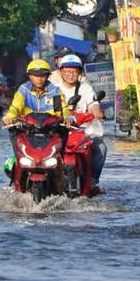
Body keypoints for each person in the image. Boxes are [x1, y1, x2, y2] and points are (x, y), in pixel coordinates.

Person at [56, 54, 106, 193]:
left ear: (79, 72)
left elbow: (93, 103)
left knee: (100, 147)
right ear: (61, 72)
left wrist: (96, 110)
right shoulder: (54, 89)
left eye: (74, 71)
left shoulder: (85, 88)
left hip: (83, 132)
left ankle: (93, 181)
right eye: (67, 71)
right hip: (60, 131)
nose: (70, 74)